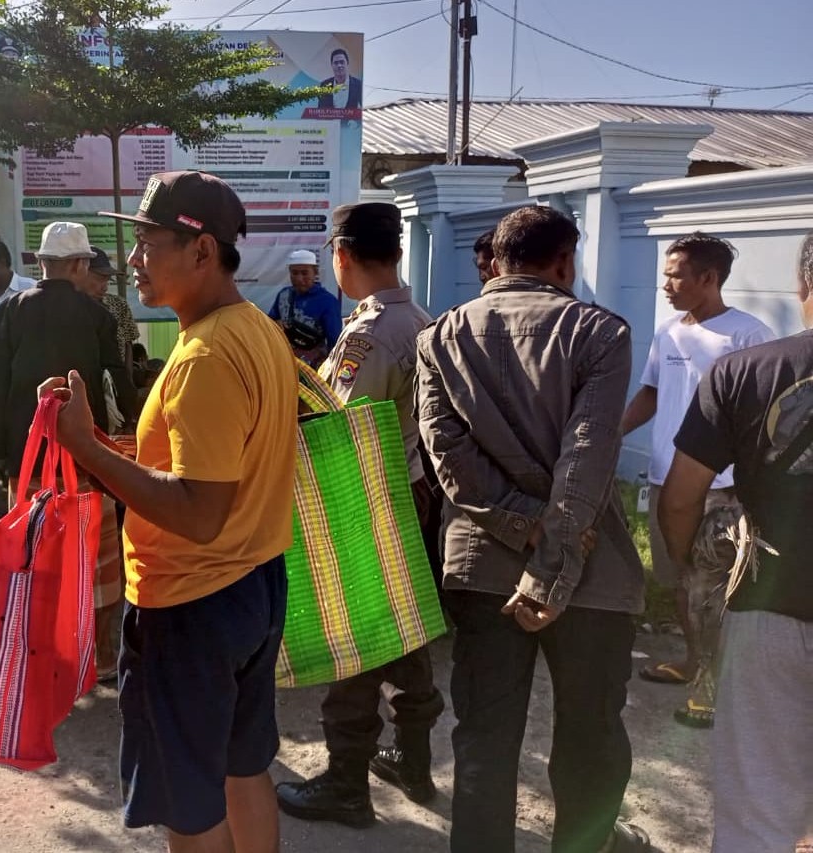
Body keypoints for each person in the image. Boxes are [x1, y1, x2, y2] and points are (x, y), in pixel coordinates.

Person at [39, 171, 296, 852]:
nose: (132, 260)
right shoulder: (255, 330)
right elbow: (209, 465)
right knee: (243, 766)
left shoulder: (205, 356)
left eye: (149, 244)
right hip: (254, 583)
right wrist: (107, 443)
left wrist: (86, 449)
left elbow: (199, 511)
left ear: (201, 250)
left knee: (189, 800)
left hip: (190, 602)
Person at [415, 205, 649, 852]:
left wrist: (524, 531)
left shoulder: (440, 337)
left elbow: (449, 461)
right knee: (590, 738)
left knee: (484, 738)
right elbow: (588, 454)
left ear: (497, 261)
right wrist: (552, 561)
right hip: (589, 569)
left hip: (484, 567)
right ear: (565, 262)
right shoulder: (600, 332)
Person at [275, 202, 443, 827]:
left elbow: (332, 424)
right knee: (405, 626)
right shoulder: (420, 319)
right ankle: (414, 760)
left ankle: (347, 783)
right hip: (411, 488)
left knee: (355, 638)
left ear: (342, 255)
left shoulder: (369, 334)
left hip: (366, 500)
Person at [658, 231, 813, 852]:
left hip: (769, 605)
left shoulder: (746, 368)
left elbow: (680, 498)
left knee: (758, 809)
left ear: (803, 285)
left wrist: (685, 561)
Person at [0, 222, 135, 677]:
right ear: (79, 264)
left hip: (28, 463)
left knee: (36, 557)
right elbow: (116, 383)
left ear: (41, 263)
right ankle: (98, 654)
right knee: (96, 561)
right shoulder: (98, 316)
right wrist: (128, 434)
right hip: (88, 460)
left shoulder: (8, 312)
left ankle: (41, 656)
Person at [620, 232, 773, 727]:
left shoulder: (748, 336)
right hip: (667, 480)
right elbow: (650, 394)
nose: (666, 285)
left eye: (675, 276)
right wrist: (608, 434)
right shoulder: (668, 332)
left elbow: (764, 416)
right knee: (683, 583)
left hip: (720, 487)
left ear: (708, 278)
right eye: (665, 275)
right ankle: (693, 662)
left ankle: (717, 685)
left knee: (715, 590)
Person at [268, 248, 342, 367]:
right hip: (283, 362)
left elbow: (335, 341)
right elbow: (270, 324)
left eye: (304, 273)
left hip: (313, 368)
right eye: (294, 273)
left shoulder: (328, 301)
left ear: (315, 272)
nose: (299, 278)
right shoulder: (284, 295)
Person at [85, 246, 141, 382]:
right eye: (99, 278)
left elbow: (128, 345)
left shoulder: (118, 305)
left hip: (115, 382)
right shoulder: (69, 308)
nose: (104, 286)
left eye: (107, 280)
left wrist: (127, 381)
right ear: (81, 273)